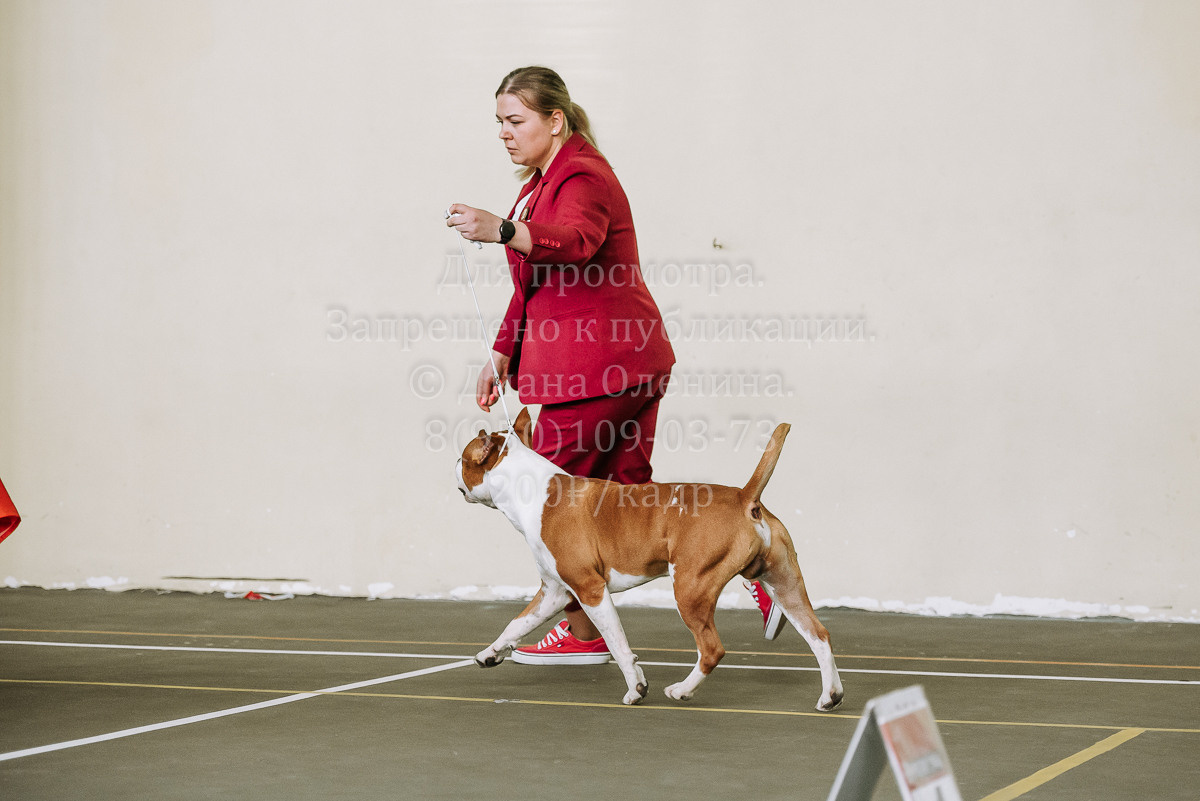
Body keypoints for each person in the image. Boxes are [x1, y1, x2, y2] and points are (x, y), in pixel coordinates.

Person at [447, 65, 781, 663]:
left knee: (551, 500)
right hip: (621, 365)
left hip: (599, 370)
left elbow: (574, 242)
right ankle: (759, 562)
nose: (504, 132)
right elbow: (533, 285)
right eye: (498, 121)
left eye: (515, 120)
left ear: (555, 120)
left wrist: (500, 229)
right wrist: (503, 352)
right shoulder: (538, 182)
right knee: (627, 501)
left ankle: (580, 633)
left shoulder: (582, 175)